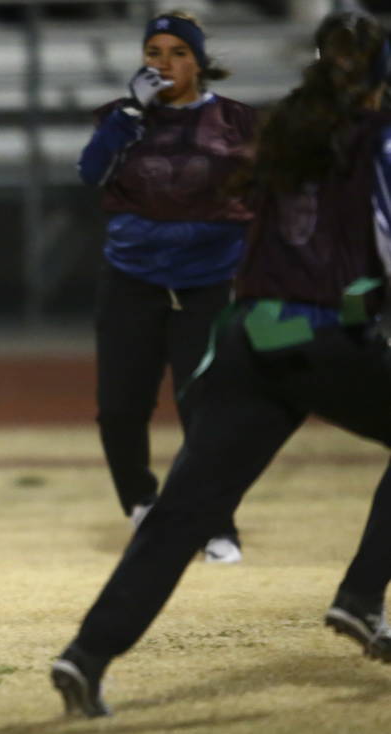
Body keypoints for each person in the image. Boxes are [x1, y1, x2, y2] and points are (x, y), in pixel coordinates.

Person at [52, 11, 391, 718]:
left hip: (248, 336)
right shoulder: (370, 139)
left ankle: (86, 655)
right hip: (324, 334)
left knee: (182, 514)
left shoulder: (287, 129)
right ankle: (361, 596)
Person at [77, 11, 257, 563]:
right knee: (120, 407)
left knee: (206, 406)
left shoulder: (238, 121)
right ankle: (142, 504)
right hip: (133, 280)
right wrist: (130, 114)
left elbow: (268, 197)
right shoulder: (122, 116)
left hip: (207, 283)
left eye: (178, 51)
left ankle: (216, 520)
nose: (164, 63)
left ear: (199, 61)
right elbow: (91, 171)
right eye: (153, 51)